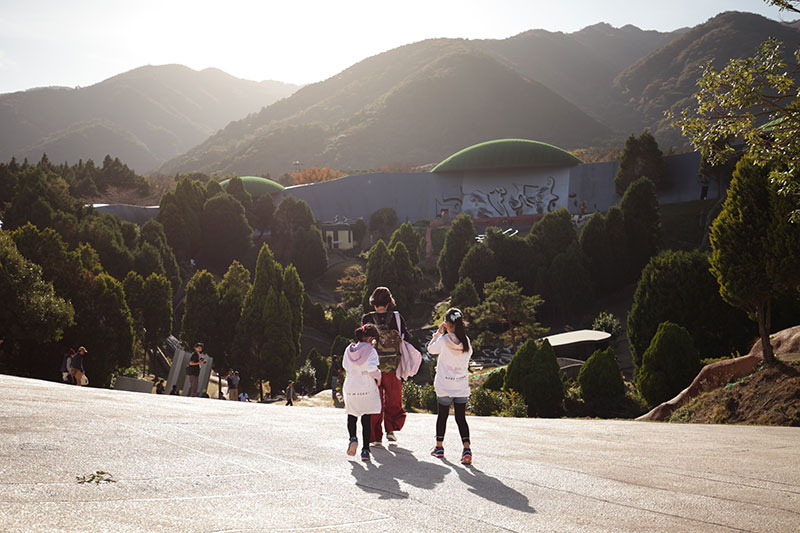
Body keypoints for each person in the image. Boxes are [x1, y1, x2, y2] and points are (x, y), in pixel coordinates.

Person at [361, 286, 409, 444]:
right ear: (389, 302)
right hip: (392, 366)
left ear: (373, 302)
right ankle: (391, 429)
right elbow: (405, 338)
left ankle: (375, 437)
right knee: (393, 398)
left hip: (372, 367)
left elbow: (362, 343)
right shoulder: (396, 317)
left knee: (375, 400)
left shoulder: (366, 319)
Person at [427, 308, 473, 465]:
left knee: (443, 416)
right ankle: (466, 449)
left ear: (447, 324)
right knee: (461, 418)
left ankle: (439, 447)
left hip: (445, 385)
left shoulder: (444, 340)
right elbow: (462, 361)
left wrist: (438, 333)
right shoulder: (466, 341)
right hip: (461, 385)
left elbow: (430, 350)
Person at [342, 324, 382, 461]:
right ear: (370, 338)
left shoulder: (349, 349)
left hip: (350, 387)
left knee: (351, 416)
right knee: (366, 419)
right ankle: (365, 450)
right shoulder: (371, 351)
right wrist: (379, 376)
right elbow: (372, 370)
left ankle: (353, 438)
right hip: (366, 388)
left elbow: (345, 366)